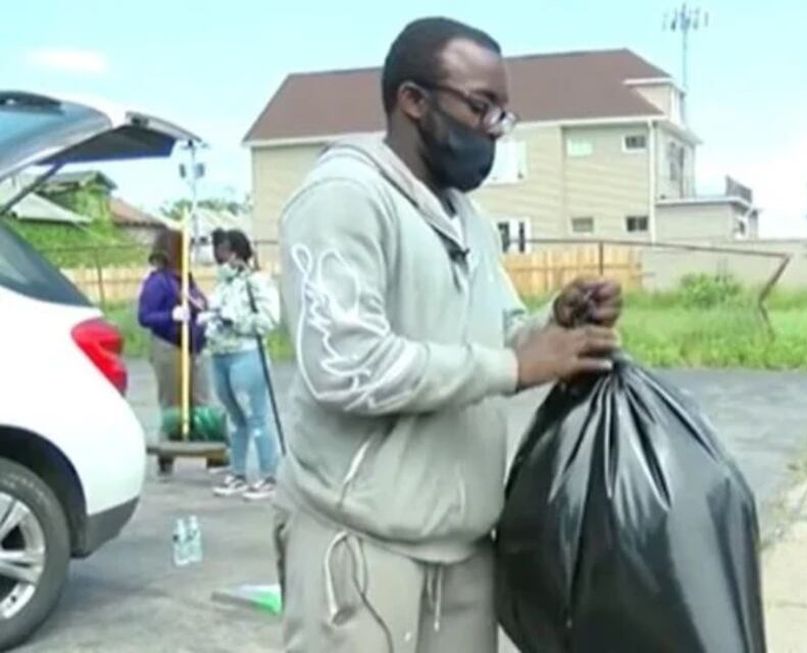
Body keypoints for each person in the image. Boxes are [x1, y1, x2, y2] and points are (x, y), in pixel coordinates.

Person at [274, 16, 622, 652]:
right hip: (362, 551)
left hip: (463, 556)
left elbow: (501, 335)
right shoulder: (344, 199)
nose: (493, 129)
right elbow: (345, 365)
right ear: (413, 101)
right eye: (480, 106)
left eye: (502, 114)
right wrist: (516, 367)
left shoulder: (468, 219)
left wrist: (555, 324)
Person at [199, 229, 282, 501]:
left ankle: (270, 475)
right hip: (220, 353)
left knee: (256, 416)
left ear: (237, 251)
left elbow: (270, 319)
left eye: (225, 250)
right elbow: (217, 311)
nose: (221, 257)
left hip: (247, 354)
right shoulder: (222, 285)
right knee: (235, 419)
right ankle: (238, 472)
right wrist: (208, 319)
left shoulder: (257, 281)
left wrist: (236, 321)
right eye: (218, 251)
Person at [137, 228, 211, 476]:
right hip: (169, 346)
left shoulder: (186, 280)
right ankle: (166, 455)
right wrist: (170, 315)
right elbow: (144, 317)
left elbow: (199, 303)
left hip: (195, 346)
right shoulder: (157, 282)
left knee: (202, 400)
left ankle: (214, 453)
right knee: (172, 403)